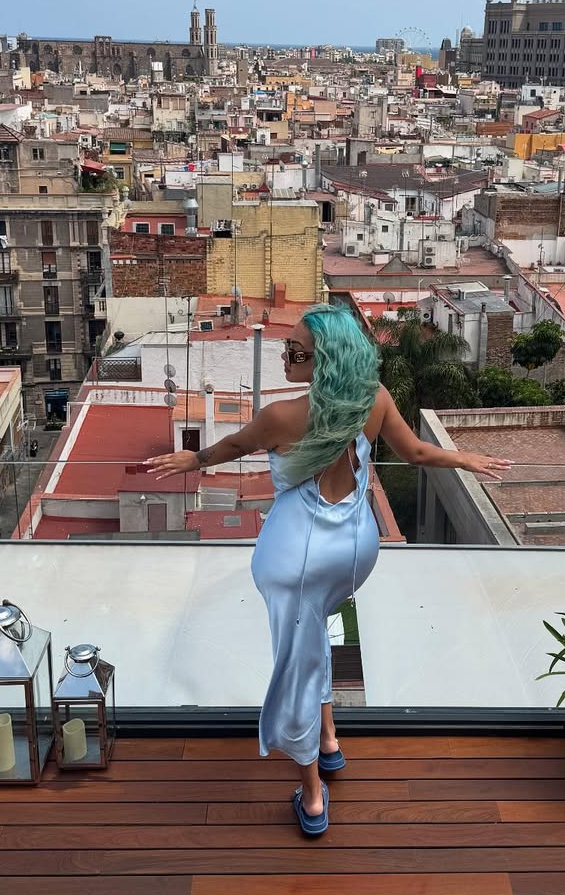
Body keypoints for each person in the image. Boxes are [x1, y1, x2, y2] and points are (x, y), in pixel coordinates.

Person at [146, 303, 511, 836]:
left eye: (295, 352)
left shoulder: (282, 417)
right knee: (313, 636)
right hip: (357, 549)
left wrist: (193, 460)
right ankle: (329, 738)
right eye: (286, 348)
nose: (285, 357)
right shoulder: (374, 399)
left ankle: (313, 795)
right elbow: (415, 453)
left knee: (293, 670)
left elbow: (235, 446)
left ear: (327, 360)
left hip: (297, 560)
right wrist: (464, 459)